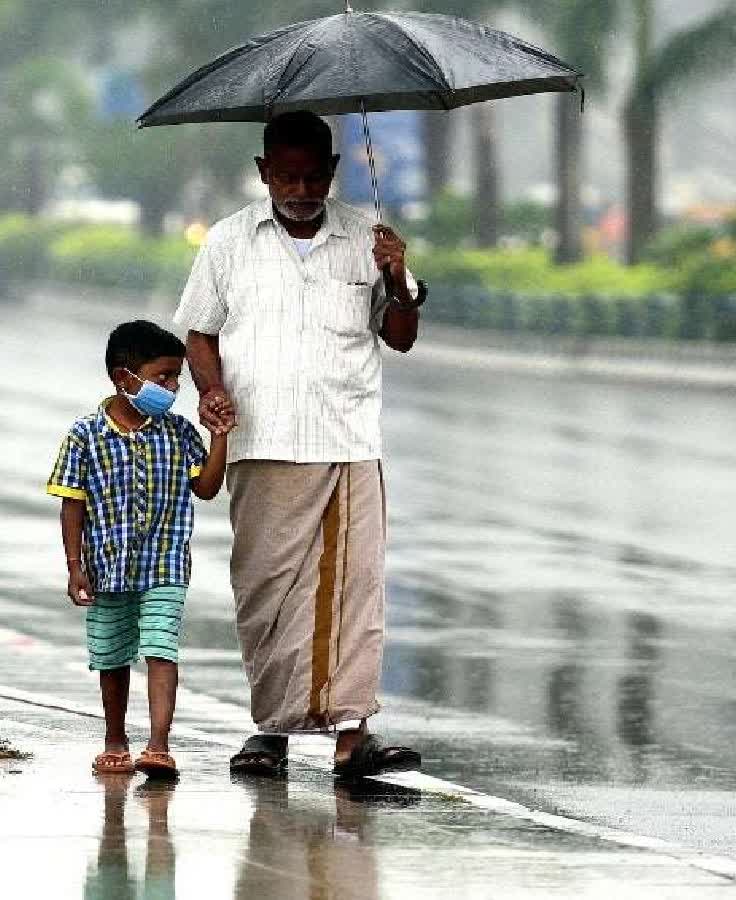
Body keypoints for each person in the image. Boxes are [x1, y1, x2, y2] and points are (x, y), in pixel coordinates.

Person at [173, 110, 425, 778]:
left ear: (335, 171)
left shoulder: (367, 240)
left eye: (314, 175)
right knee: (267, 590)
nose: (302, 187)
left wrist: (398, 278)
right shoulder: (229, 241)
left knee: (353, 593)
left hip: (345, 439)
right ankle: (270, 732)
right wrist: (209, 389)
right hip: (261, 441)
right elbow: (200, 331)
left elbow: (399, 334)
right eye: (287, 175)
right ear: (264, 173)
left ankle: (352, 734)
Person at [47, 320, 229, 778]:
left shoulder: (179, 432)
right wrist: (75, 567)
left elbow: (206, 488)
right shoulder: (85, 435)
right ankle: (115, 739)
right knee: (112, 653)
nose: (171, 388)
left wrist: (220, 437)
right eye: (162, 377)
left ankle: (158, 744)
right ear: (123, 377)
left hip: (165, 564)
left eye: (175, 380)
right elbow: (72, 506)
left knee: (160, 645)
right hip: (107, 567)